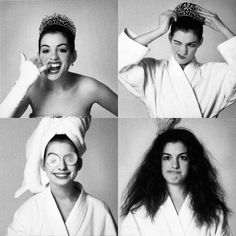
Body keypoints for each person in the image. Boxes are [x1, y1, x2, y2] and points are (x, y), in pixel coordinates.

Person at [119, 2, 236, 118]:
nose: (183, 51)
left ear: (200, 42)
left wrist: (224, 29)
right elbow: (121, 62)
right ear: (170, 38)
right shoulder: (154, 72)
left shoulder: (216, 74)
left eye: (191, 44)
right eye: (177, 43)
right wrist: (159, 30)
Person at [6, 117, 117, 236]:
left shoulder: (99, 210)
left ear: (79, 163)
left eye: (69, 158)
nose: (62, 166)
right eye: (53, 159)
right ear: (43, 165)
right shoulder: (27, 213)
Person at [0, 13, 117, 118]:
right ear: (39, 55)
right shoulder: (31, 88)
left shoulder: (90, 87)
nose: (53, 57)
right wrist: (22, 84)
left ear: (73, 56)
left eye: (62, 50)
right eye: (46, 51)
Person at [120, 126, 232, 235]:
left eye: (182, 157)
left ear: (192, 162)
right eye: (167, 158)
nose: (175, 165)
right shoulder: (140, 211)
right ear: (158, 162)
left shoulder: (213, 211)